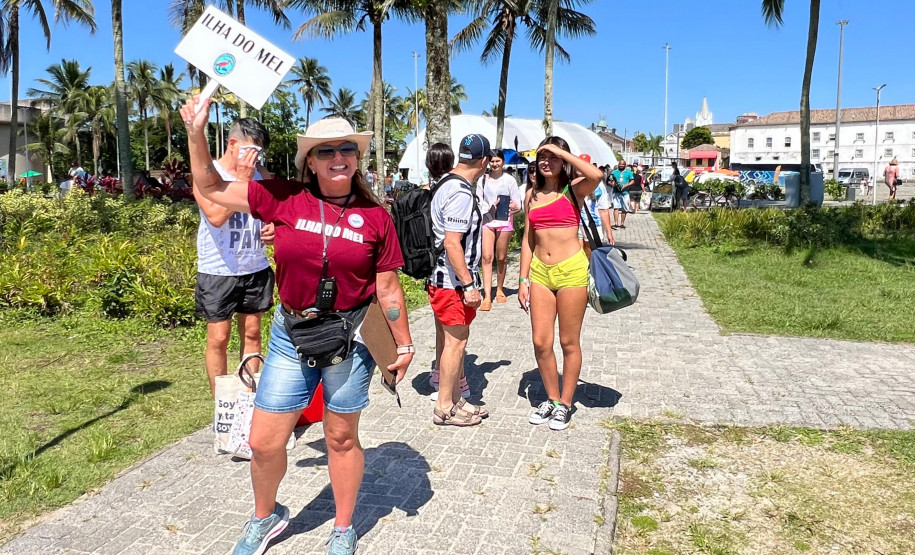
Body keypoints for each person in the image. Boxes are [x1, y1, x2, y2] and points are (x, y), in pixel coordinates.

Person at [180, 98, 415, 555]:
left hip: (350, 339)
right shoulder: (283, 197)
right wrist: (196, 133)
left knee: (340, 438)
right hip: (292, 336)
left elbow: (387, 288)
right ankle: (265, 517)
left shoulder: (376, 217)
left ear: (358, 157)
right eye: (326, 151)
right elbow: (211, 186)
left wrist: (402, 344)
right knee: (264, 441)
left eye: (346, 148)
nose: (338, 157)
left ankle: (342, 527)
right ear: (310, 161)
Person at [518, 137, 603, 431]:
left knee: (568, 342)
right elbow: (528, 240)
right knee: (541, 342)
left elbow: (596, 176)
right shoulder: (531, 195)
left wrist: (562, 152)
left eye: (553, 157)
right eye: (542, 156)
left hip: (571, 272)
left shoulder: (573, 190)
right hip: (540, 273)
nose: (547, 162)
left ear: (563, 160)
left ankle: (566, 403)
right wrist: (523, 279)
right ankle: (552, 399)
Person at [193, 118, 277, 396]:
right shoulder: (208, 173)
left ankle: (248, 399)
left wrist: (272, 227)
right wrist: (242, 180)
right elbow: (215, 216)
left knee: (252, 333)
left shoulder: (261, 175)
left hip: (255, 266)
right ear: (232, 144)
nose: (255, 158)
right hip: (218, 270)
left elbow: (274, 210)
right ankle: (221, 403)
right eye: (251, 150)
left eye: (259, 152)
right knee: (219, 337)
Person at [427, 133, 492, 426]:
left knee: (451, 341)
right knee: (456, 343)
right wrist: (468, 285)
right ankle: (444, 407)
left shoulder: (444, 182)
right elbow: (452, 242)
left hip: (441, 277)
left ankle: (455, 398)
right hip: (451, 282)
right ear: (484, 161)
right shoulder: (461, 192)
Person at [477, 149, 522, 311]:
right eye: (492, 161)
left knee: (501, 257)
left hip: (504, 220)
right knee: (487, 257)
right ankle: (487, 295)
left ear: (503, 162)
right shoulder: (483, 180)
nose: (495, 164)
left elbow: (518, 205)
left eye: (498, 161)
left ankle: (500, 288)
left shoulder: (509, 180)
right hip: (487, 220)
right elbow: (479, 202)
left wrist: (513, 207)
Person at [578, 154, 614, 246]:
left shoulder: (599, 186)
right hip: (575, 225)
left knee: (592, 252)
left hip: (593, 225)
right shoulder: (571, 183)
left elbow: (603, 210)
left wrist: (609, 232)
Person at [611, 160, 634, 229]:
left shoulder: (629, 172)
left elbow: (632, 181)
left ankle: (622, 223)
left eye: (622, 165)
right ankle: (616, 223)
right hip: (616, 192)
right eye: (620, 165)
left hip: (625, 193)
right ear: (618, 165)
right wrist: (613, 184)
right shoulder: (614, 172)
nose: (621, 166)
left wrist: (626, 185)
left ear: (625, 165)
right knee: (616, 208)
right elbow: (610, 181)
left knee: (624, 208)